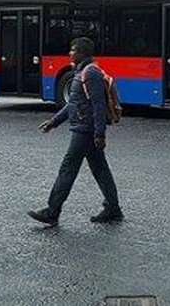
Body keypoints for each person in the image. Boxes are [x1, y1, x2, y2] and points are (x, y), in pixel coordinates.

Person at [28, 37, 123, 227]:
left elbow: (98, 105)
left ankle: (52, 211)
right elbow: (73, 104)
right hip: (85, 128)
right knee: (100, 169)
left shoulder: (91, 73)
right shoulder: (82, 72)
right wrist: (54, 122)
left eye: (72, 50)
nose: (69, 54)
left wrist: (99, 134)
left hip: (85, 130)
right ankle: (113, 208)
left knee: (68, 168)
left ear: (81, 53)